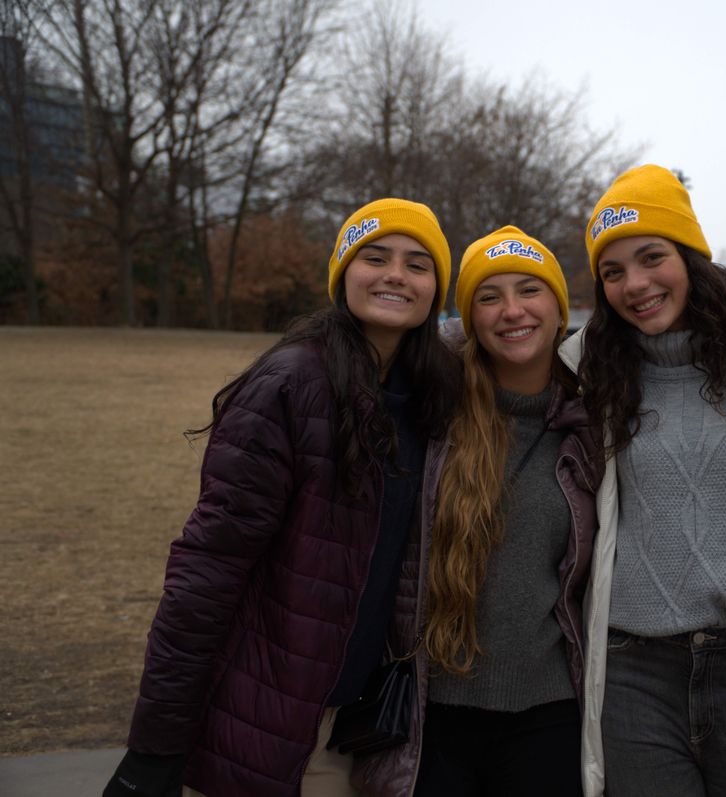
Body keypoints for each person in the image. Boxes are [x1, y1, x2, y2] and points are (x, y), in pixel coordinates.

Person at [103, 199, 461, 797]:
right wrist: (153, 749)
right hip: (263, 721)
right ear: (343, 274)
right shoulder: (291, 383)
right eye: (375, 257)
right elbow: (206, 572)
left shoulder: (424, 397)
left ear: (434, 291)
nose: (396, 274)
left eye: (418, 264)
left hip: (357, 722)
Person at [558, 164, 726, 797]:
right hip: (634, 671)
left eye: (651, 257)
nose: (635, 284)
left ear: (690, 257)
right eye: (613, 271)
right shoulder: (585, 373)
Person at [394, 226, 599, 796]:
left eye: (529, 290)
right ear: (470, 317)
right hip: (433, 710)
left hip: (549, 711)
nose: (512, 311)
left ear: (559, 308)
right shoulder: (431, 407)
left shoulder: (596, 421)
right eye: (489, 296)